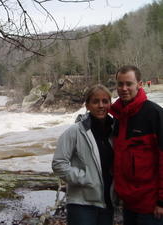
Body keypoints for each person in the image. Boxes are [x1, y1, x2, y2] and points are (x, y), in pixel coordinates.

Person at [52, 84, 114, 225]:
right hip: (82, 204)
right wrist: (85, 178)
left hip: (107, 202)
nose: (100, 105)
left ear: (110, 104)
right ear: (87, 105)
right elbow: (58, 163)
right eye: (95, 101)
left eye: (105, 101)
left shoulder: (115, 131)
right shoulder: (75, 132)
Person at [110, 65, 163, 225]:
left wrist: (161, 201)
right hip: (128, 202)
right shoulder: (118, 116)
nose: (124, 88)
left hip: (151, 205)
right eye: (120, 84)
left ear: (139, 84)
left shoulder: (154, 114)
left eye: (129, 84)